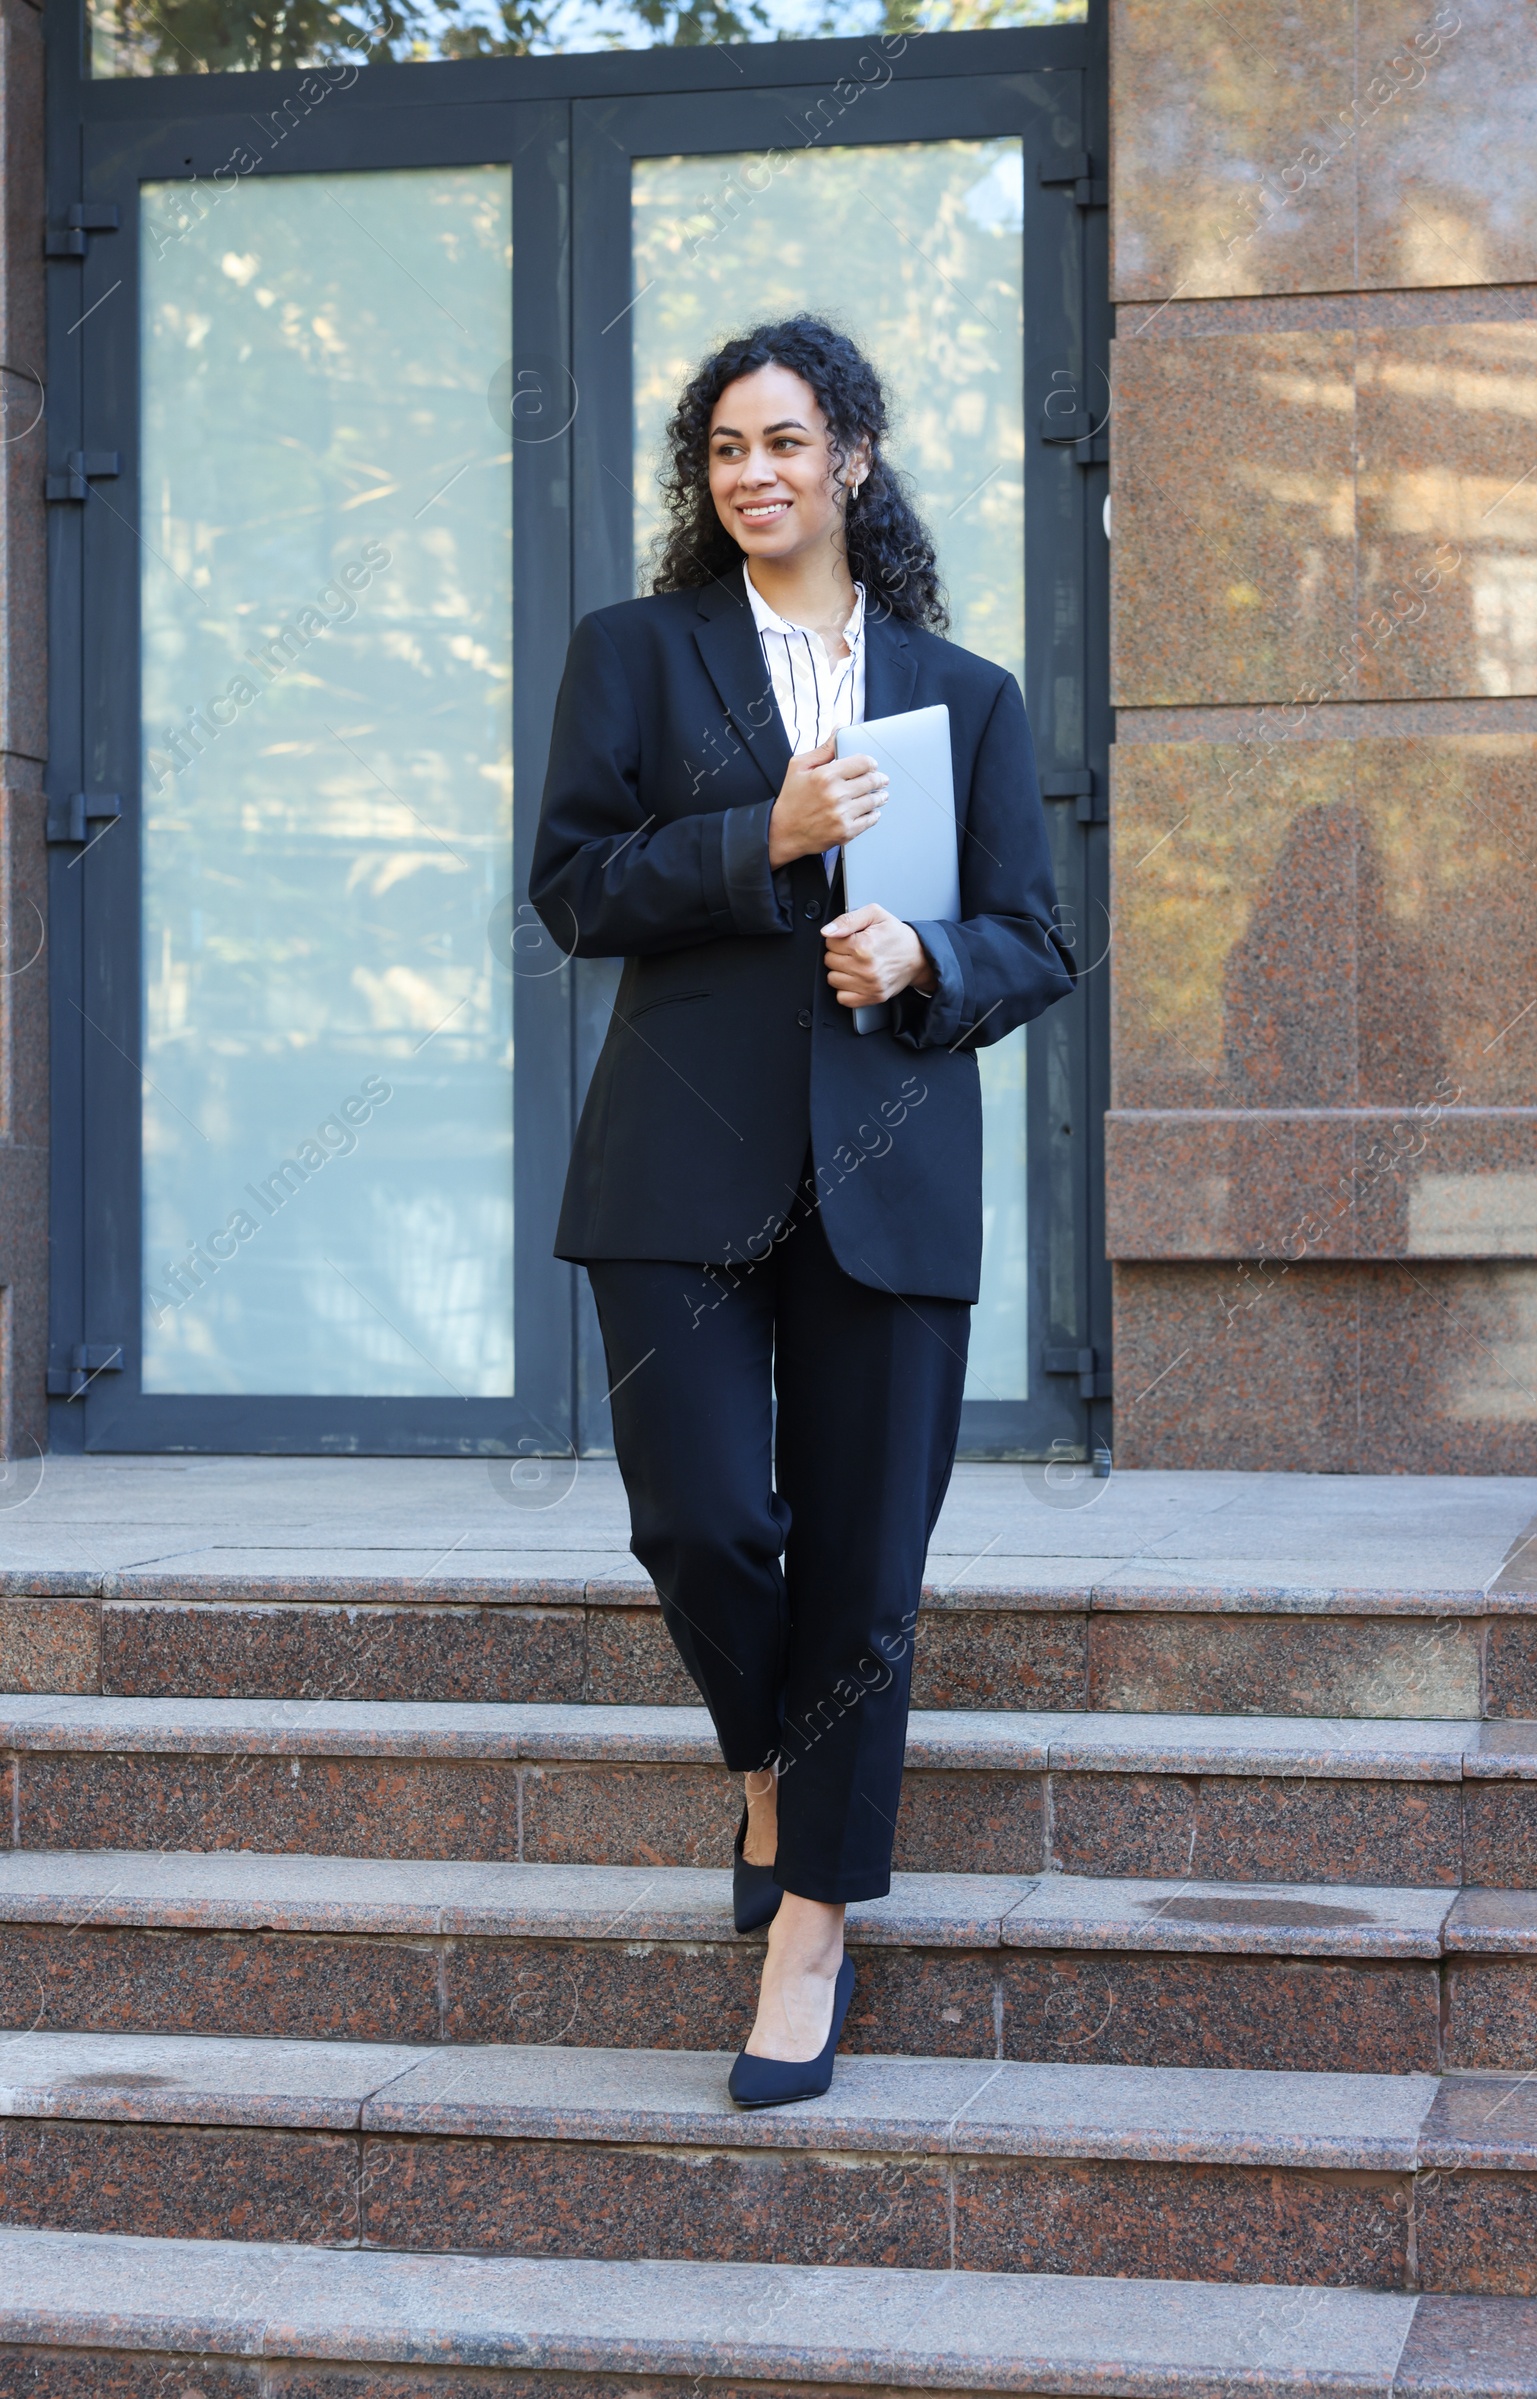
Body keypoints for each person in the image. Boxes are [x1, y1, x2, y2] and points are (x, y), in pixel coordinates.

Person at [531, 315, 1073, 2107]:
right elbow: (575, 890)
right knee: (694, 1515)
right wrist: (759, 836)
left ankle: (812, 1923)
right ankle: (770, 1768)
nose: (752, 475)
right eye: (721, 451)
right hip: (676, 1159)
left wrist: (928, 956)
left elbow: (1037, 941)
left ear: (853, 457)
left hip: (892, 1171)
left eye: (784, 442)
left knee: (866, 1568)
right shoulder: (635, 654)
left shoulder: (964, 695)